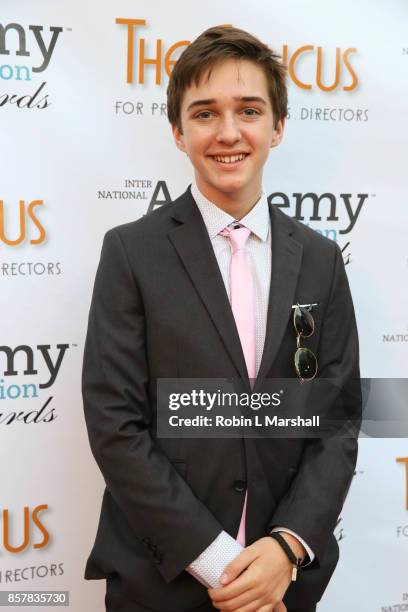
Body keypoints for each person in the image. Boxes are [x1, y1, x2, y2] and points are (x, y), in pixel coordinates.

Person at [82, 25, 361, 612]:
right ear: (179, 132)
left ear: (278, 126)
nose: (228, 132)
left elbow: (334, 423)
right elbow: (115, 423)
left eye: (249, 110)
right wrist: (220, 564)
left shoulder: (319, 259)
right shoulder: (131, 252)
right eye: (205, 113)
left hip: (284, 584)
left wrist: (285, 550)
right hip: (163, 580)